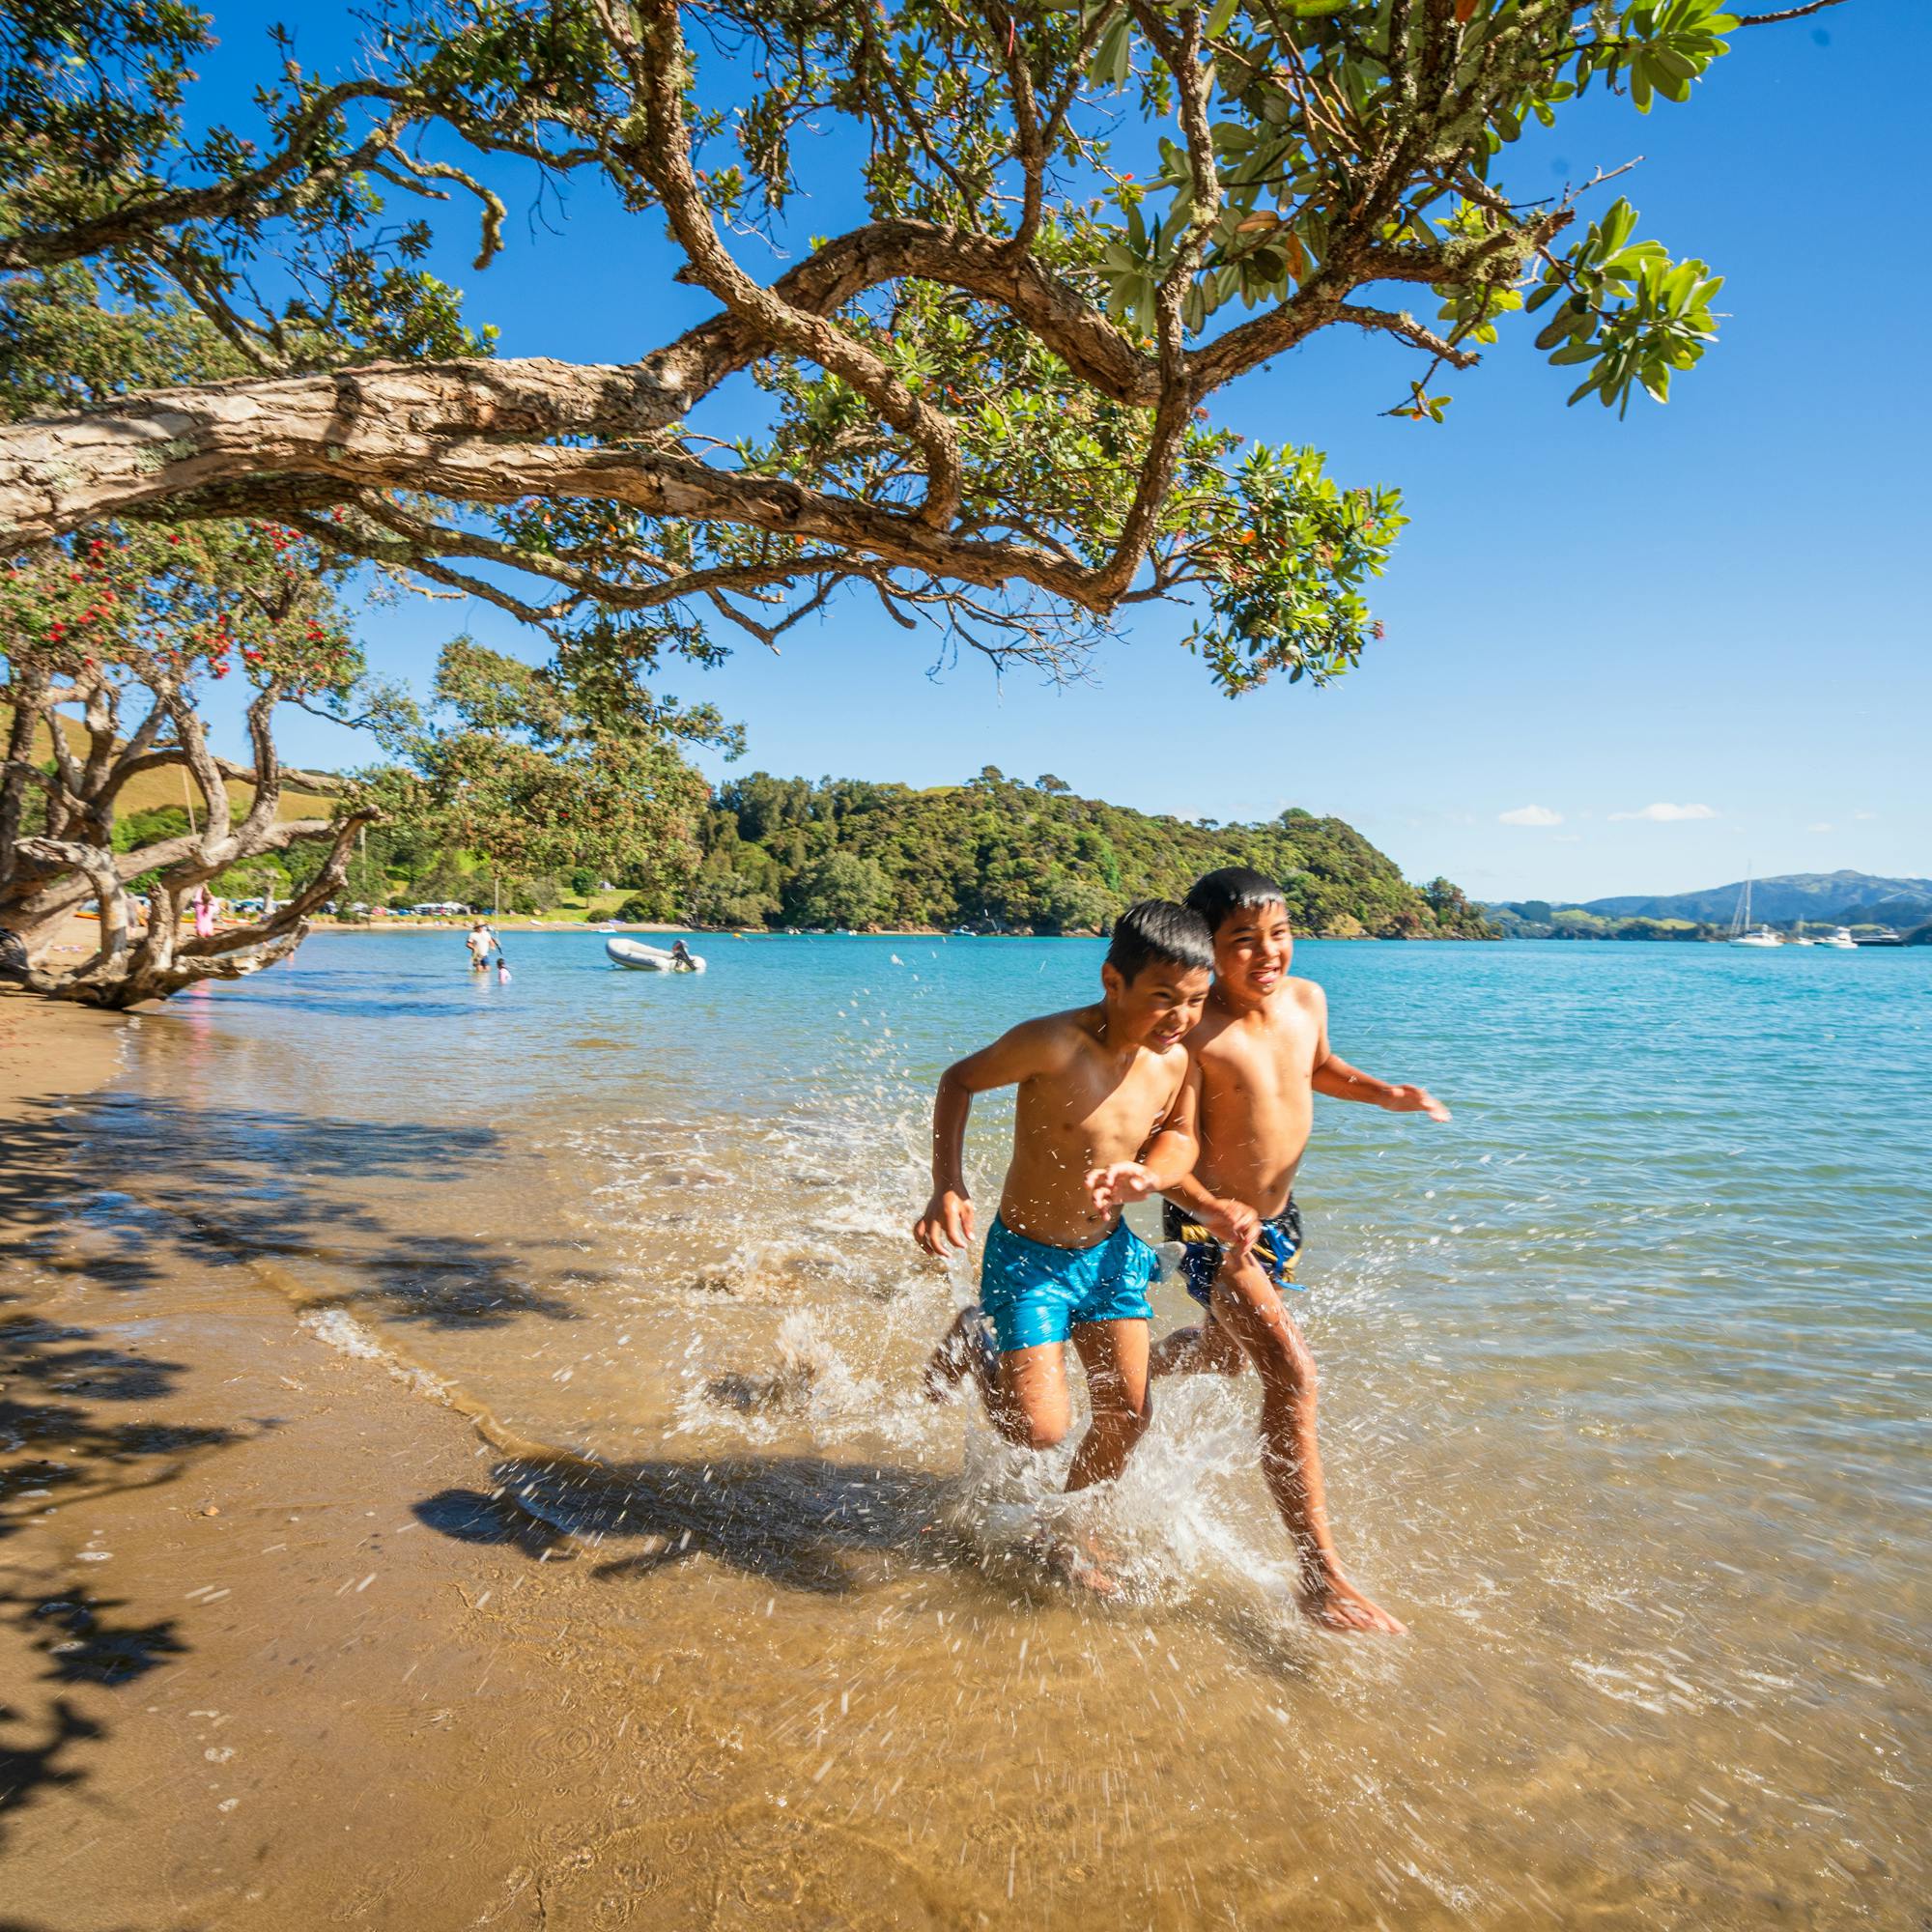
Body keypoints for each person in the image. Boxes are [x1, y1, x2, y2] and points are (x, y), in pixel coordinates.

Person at [1138, 867, 1448, 1634]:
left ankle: (1115, 1364)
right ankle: (1321, 1577)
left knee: (1222, 1357)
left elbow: (1316, 1070)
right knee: (1293, 1374)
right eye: (1243, 942)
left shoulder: (1307, 999)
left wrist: (1384, 1092)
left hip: (1281, 1225)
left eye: (1278, 934)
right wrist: (1207, 1208)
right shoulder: (1192, 1029)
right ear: (1206, 949)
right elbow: (1156, 1144)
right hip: (1212, 1230)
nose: (1267, 953)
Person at [916, 901, 1212, 1587]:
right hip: (1030, 1259)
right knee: (1040, 1430)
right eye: (1163, 998)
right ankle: (977, 1337)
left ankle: (1069, 1533)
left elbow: (1180, 1135)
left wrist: (1153, 1173)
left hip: (1111, 1257)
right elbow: (959, 1079)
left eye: (1196, 1002)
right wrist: (947, 1186)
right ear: (1114, 981)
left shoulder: (1176, 1061)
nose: (1180, 1018)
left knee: (1129, 1416)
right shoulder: (1054, 1042)